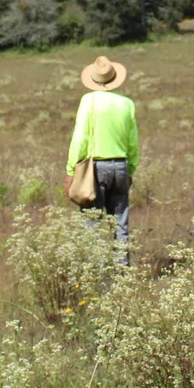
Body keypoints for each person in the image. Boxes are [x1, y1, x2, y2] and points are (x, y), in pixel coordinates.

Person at [67, 55, 139, 260]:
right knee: (120, 224)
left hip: (95, 169)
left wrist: (71, 170)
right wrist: (130, 170)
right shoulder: (127, 104)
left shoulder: (88, 101)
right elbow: (133, 142)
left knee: (92, 224)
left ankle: (95, 271)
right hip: (121, 166)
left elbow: (80, 138)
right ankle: (122, 270)